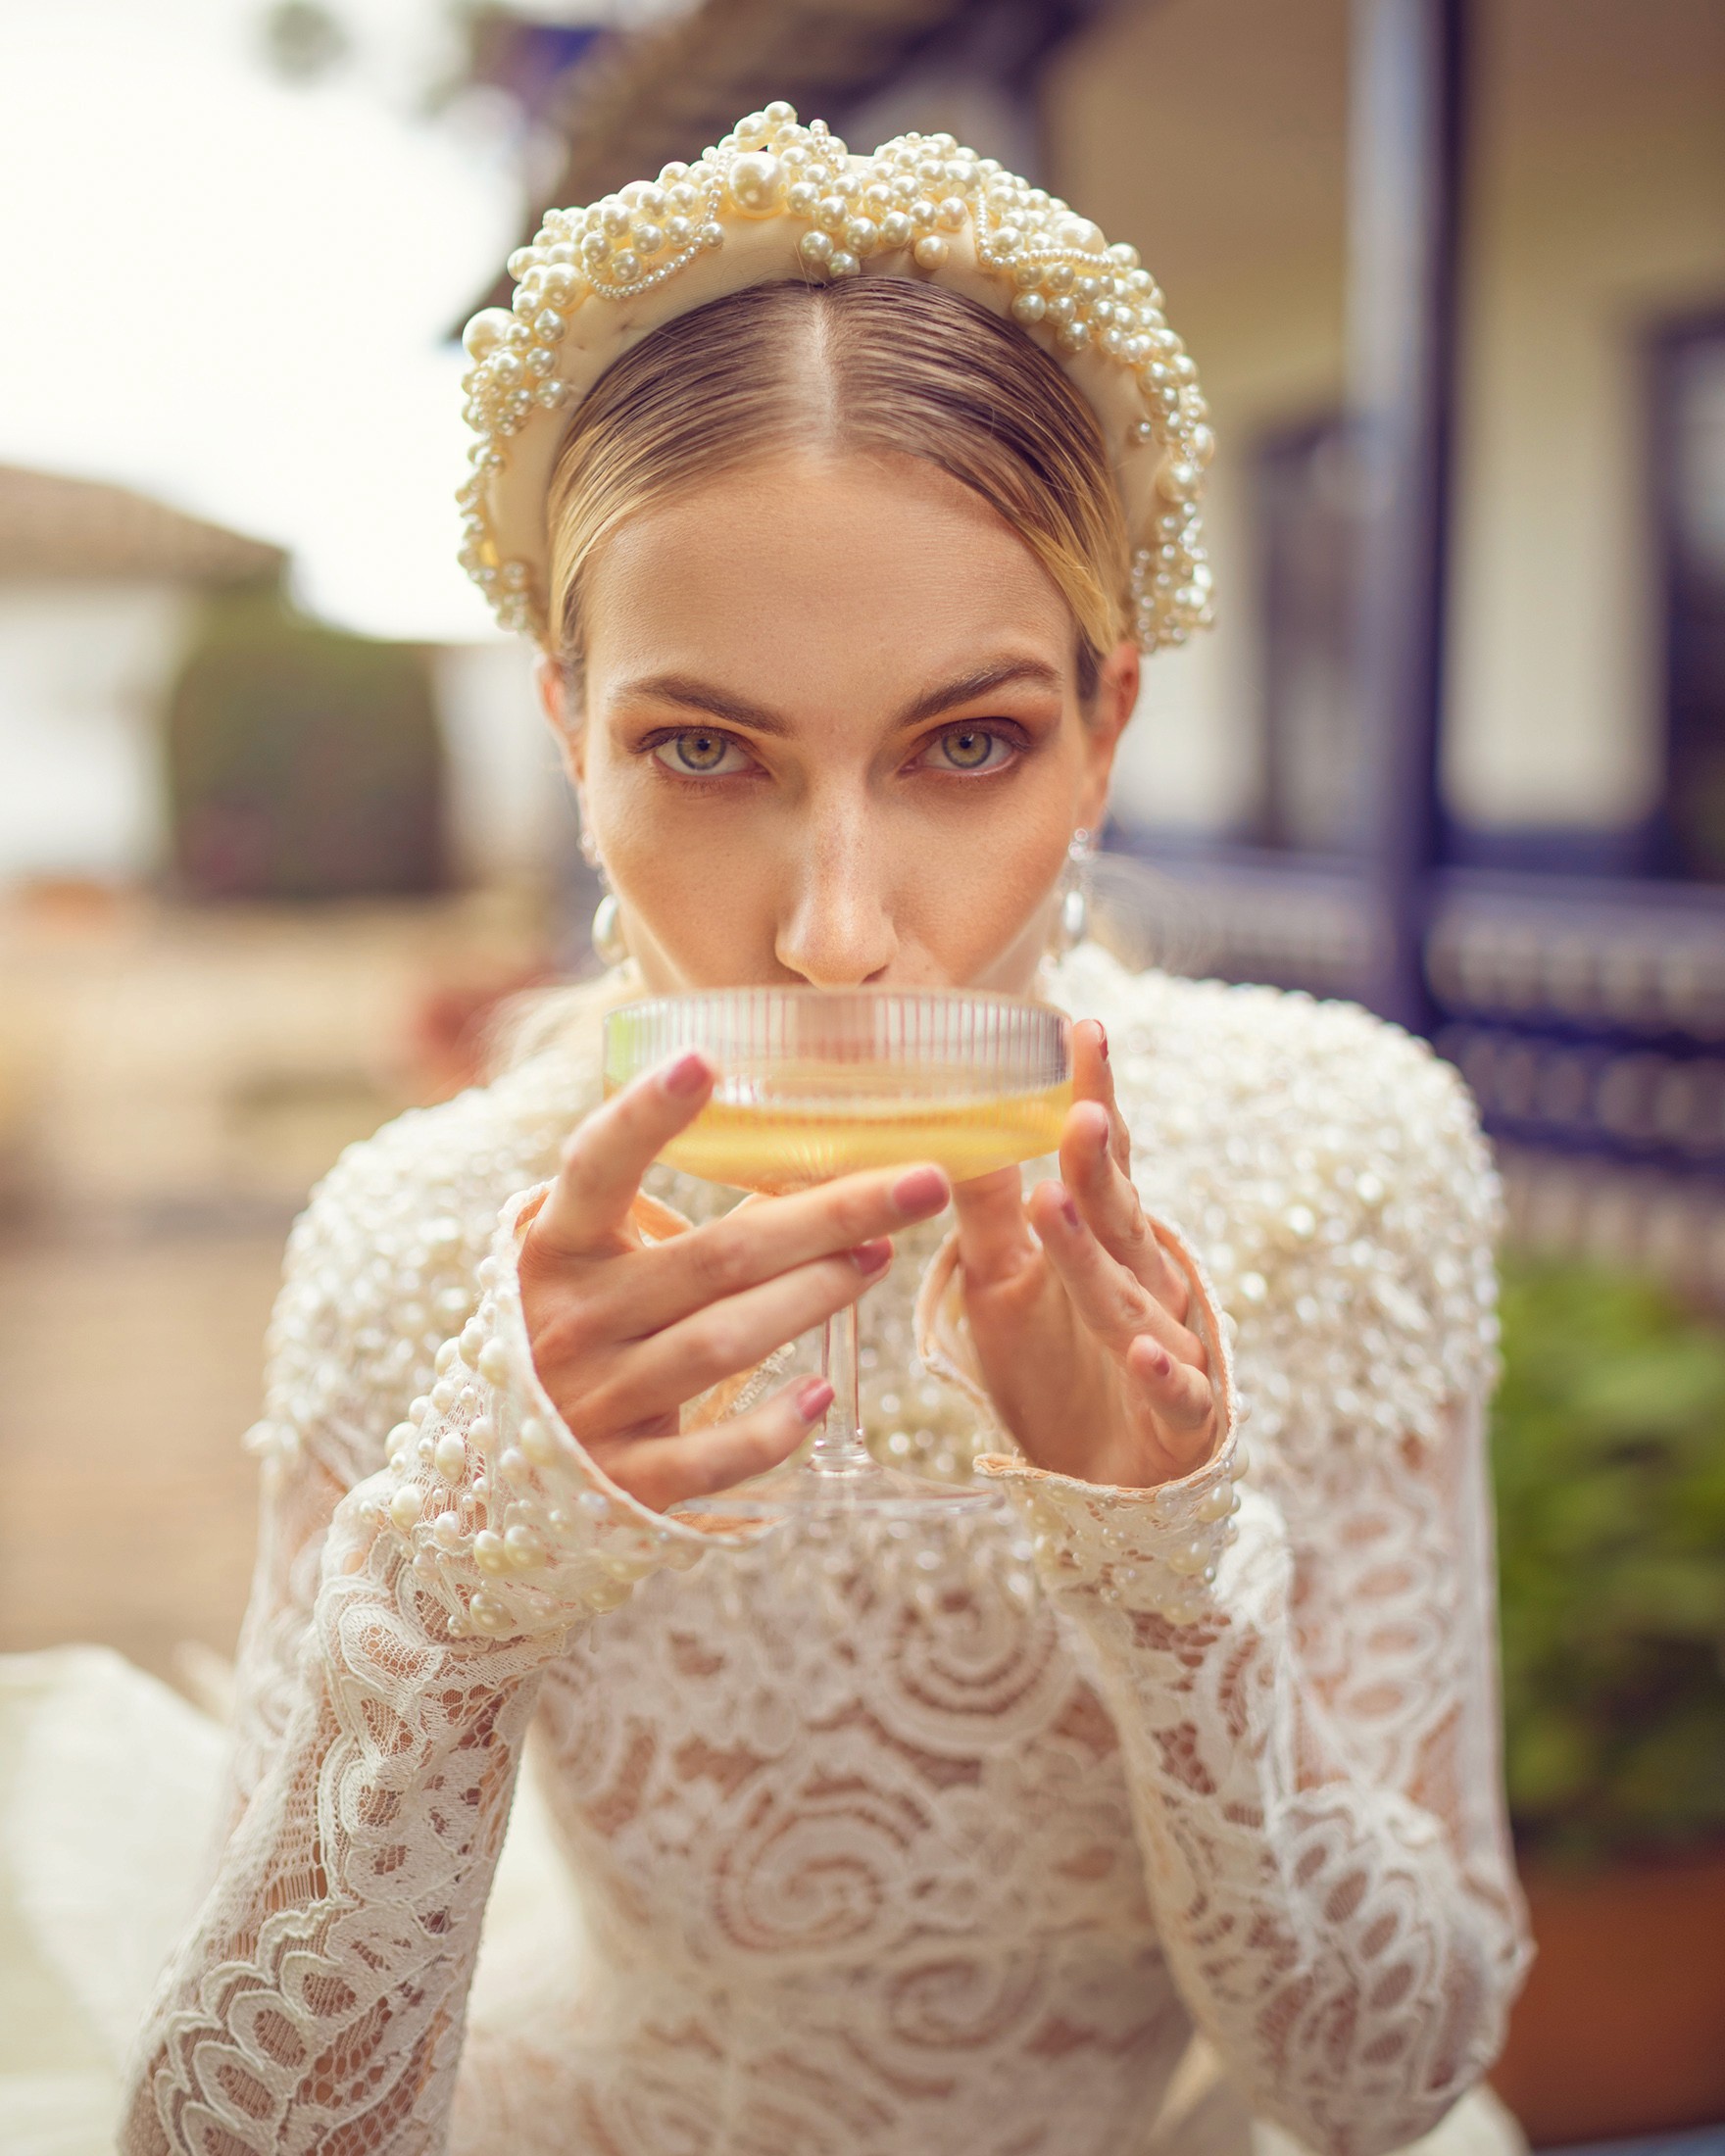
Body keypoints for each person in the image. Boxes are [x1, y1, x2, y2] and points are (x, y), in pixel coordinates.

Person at [113, 102, 1530, 2156]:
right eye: (705, 746)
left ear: (1105, 723)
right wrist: (451, 1586)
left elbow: (1379, 2080)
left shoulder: (1338, 1159)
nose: (839, 928)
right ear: (567, 733)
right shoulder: (430, 1242)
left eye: (966, 742)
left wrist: (1170, 1573)